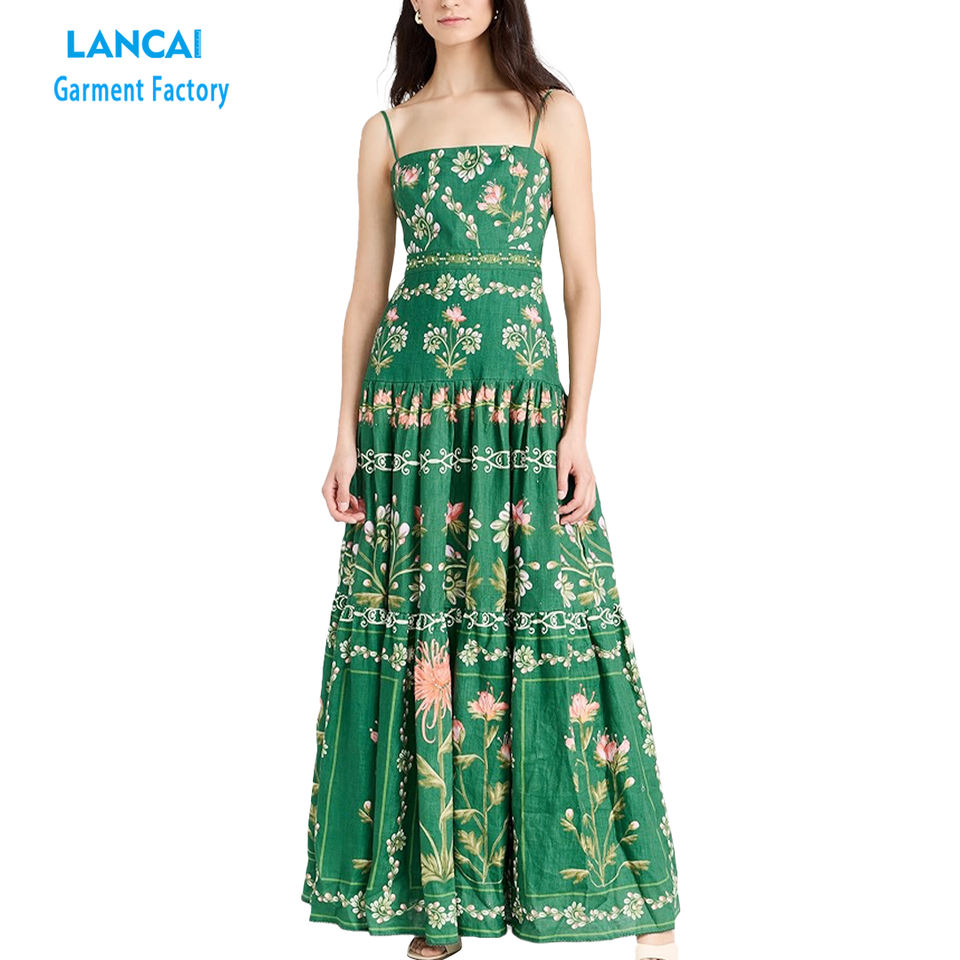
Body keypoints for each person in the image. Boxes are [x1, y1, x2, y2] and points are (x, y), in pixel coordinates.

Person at [301, 3, 680, 958]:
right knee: (423, 634)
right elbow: (366, 295)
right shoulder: (387, 132)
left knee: (561, 622)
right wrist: (344, 433)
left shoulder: (551, 114)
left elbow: (583, 282)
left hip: (519, 418)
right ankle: (440, 905)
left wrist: (578, 426)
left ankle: (638, 901)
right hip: (409, 423)